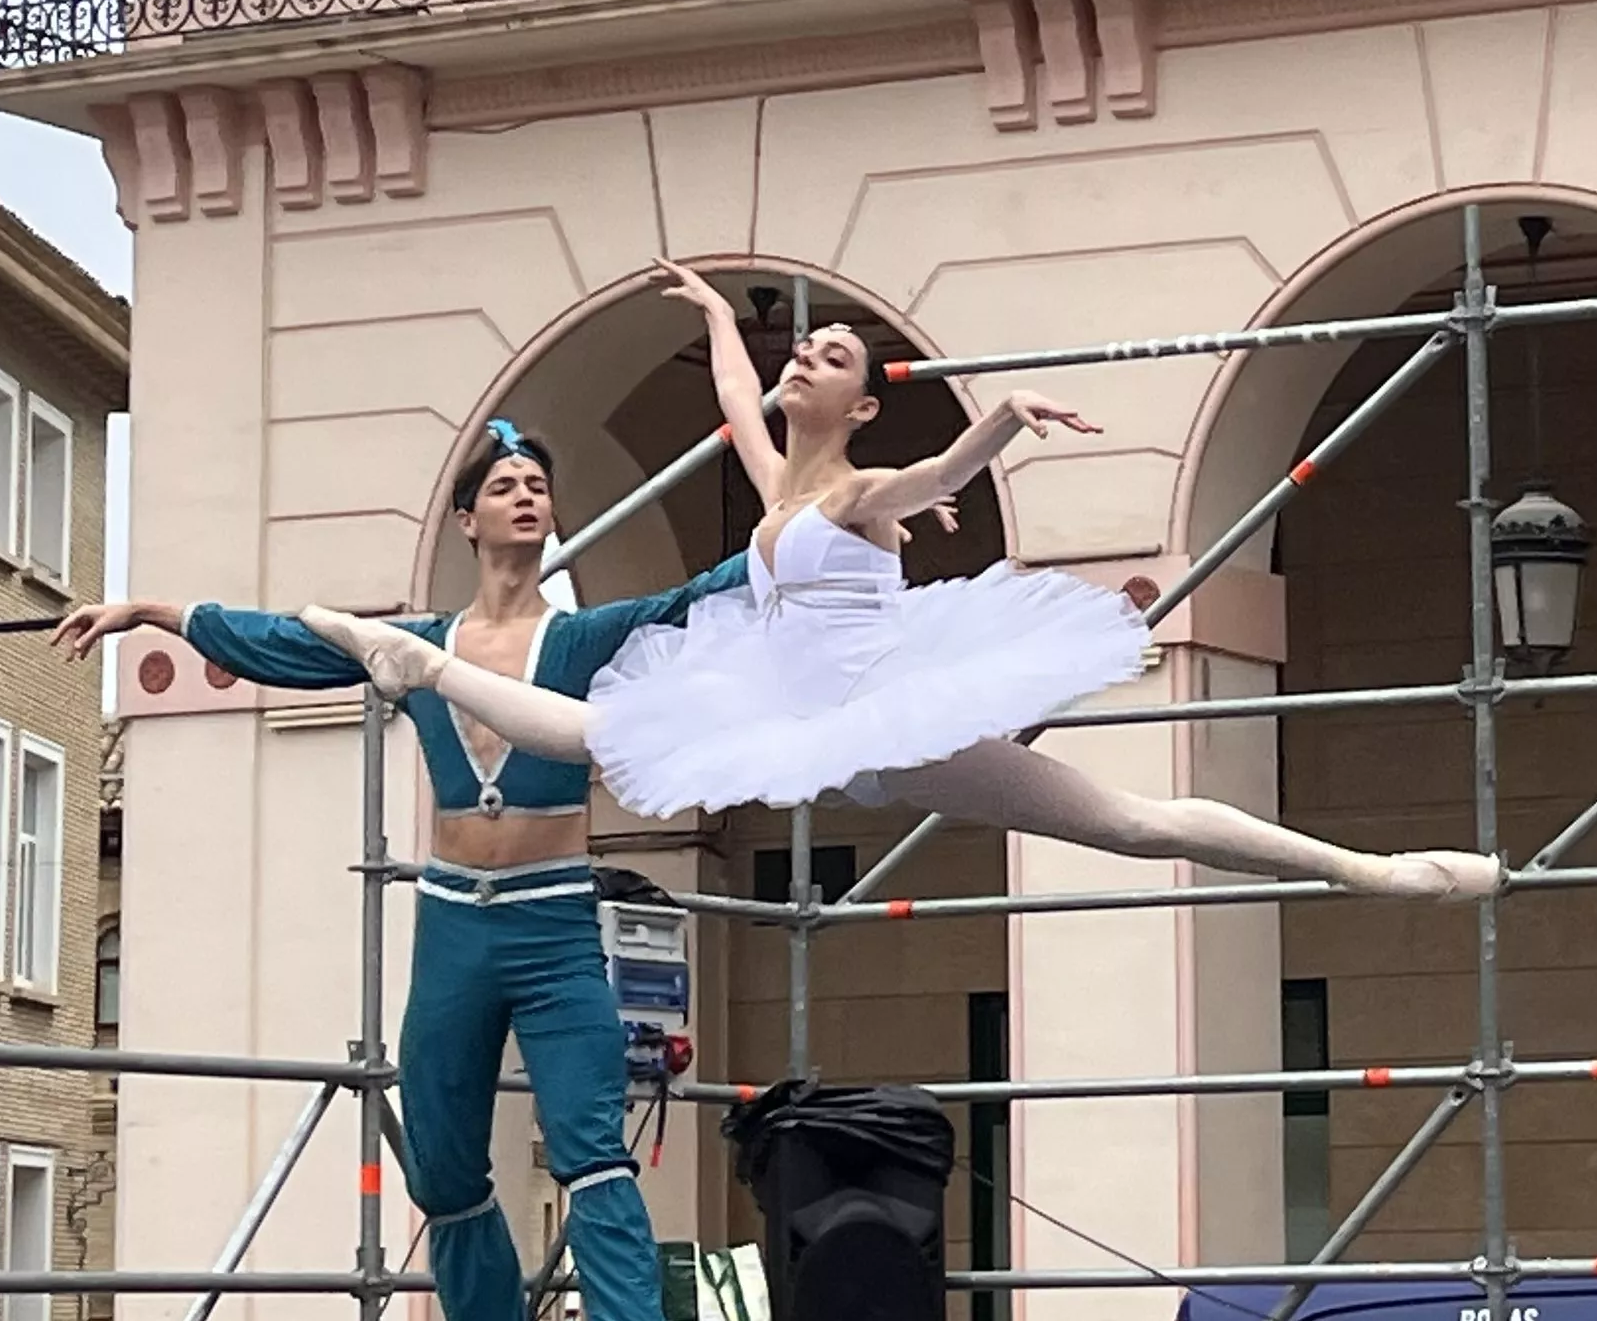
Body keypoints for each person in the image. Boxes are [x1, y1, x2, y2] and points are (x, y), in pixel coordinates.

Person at [293, 262, 1499, 901]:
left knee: (1126, 826)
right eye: (799, 351)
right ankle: (421, 662)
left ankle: (1374, 874)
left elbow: (932, 474)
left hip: (885, 708)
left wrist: (1004, 426)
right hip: (786, 708)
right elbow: (730, 400)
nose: (801, 361)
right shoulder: (772, 483)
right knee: (609, 730)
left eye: (829, 356)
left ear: (858, 402)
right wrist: (717, 312)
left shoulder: (858, 494)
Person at [53, 423, 746, 1321]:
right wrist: (150, 611)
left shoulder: (584, 639)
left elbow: (703, 598)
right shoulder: (419, 644)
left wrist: (828, 530)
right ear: (467, 521)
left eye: (536, 486)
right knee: (441, 1159)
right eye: (503, 485)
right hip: (453, 921)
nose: (524, 496)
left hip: (552, 921)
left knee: (591, 1143)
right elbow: (287, 643)